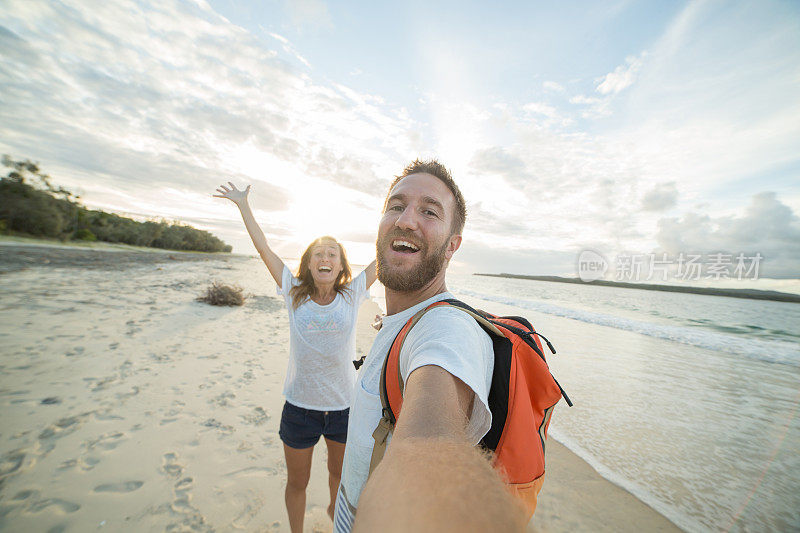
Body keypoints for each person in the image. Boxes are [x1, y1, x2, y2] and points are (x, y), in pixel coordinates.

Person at [333, 160, 527, 532]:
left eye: (429, 211)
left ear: (452, 246)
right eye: (396, 205)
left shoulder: (446, 329)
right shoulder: (401, 320)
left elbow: (428, 444)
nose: (406, 220)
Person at [214, 182, 377, 533]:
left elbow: (384, 257)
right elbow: (264, 249)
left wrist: (399, 218)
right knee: (297, 483)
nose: (325, 258)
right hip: (300, 408)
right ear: (308, 262)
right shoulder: (293, 291)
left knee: (339, 477)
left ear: (341, 265)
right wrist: (243, 206)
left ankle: (337, 516)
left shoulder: (353, 294)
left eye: (333, 253)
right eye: (319, 253)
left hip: (343, 408)